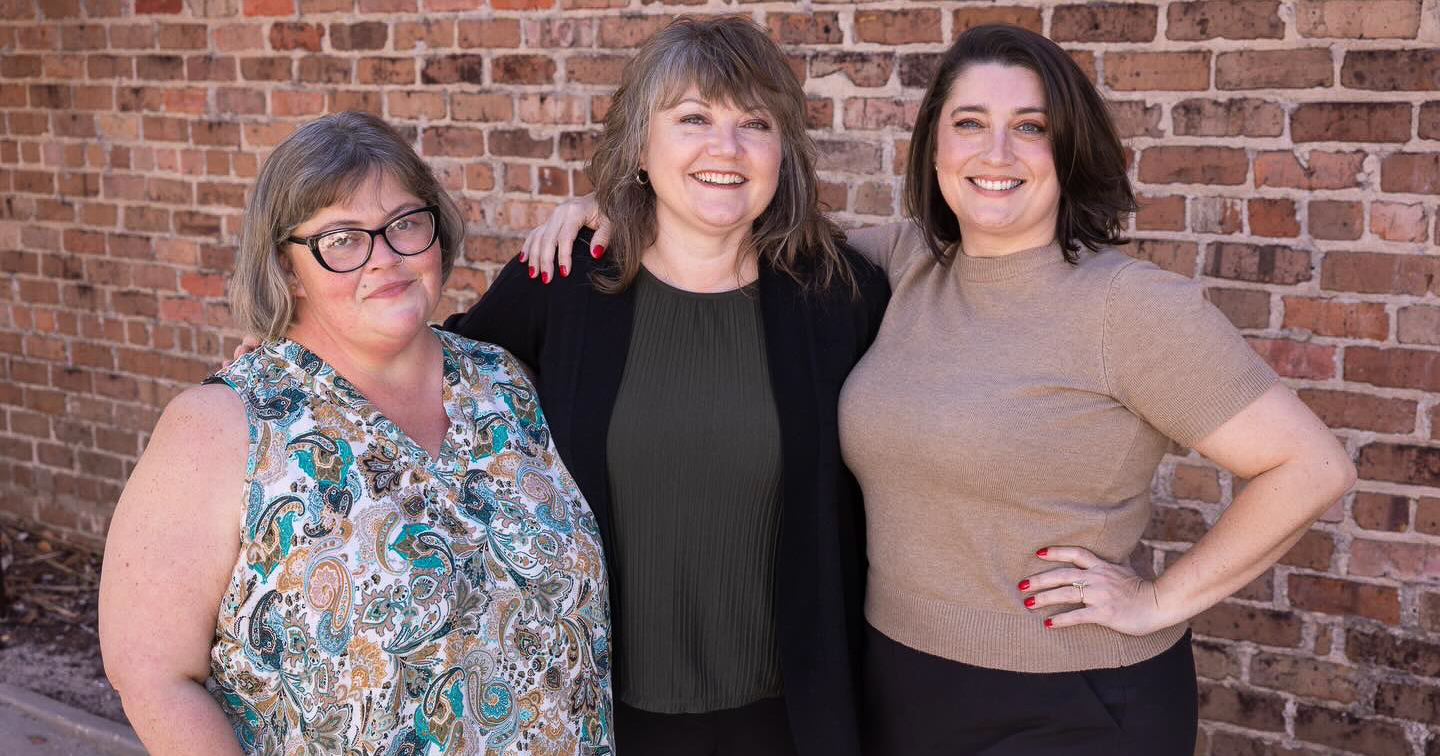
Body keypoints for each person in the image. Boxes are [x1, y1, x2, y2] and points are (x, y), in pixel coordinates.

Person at [524, 23, 1355, 756]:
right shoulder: (905, 263)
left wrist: (1158, 599)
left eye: (1030, 127)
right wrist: (608, 209)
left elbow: (1308, 467)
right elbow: (726, 219)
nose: (996, 155)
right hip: (899, 689)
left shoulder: (1127, 307)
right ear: (934, 147)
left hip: (1070, 705)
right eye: (970, 124)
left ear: (1069, 150)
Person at [98, 111, 612, 756]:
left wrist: (618, 207)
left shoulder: (505, 380)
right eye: (341, 238)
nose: (387, 258)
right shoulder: (222, 427)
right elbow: (153, 676)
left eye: (405, 224)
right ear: (286, 268)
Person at [444, 16, 887, 756]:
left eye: (755, 123)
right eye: (693, 119)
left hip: (785, 720)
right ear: (641, 148)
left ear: (783, 153)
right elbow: (433, 375)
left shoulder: (841, 297)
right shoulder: (564, 281)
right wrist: (299, 364)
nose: (727, 147)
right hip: (597, 714)